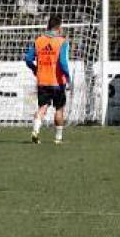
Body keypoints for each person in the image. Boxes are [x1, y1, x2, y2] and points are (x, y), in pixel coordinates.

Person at [24, 14, 71, 144]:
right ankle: (58, 138)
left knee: (42, 107)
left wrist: (35, 69)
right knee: (59, 108)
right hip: (58, 82)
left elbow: (28, 59)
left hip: (42, 81)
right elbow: (62, 62)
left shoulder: (39, 40)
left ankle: (35, 131)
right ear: (59, 27)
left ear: (48, 26)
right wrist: (68, 77)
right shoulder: (62, 41)